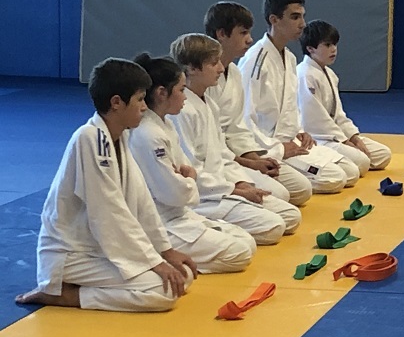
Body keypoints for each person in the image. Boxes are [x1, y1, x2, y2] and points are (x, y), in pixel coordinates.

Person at [15, 58, 196, 311]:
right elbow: (108, 211)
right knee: (163, 291)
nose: (145, 107)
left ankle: (76, 289)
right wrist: (154, 261)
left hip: (97, 248)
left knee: (181, 276)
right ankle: (64, 295)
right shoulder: (90, 138)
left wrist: (165, 251)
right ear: (116, 103)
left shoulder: (119, 136)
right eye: (140, 99)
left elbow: (142, 203)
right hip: (72, 253)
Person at [169, 33, 301, 245]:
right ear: (192, 68)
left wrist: (242, 183)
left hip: (222, 184)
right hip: (204, 197)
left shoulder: (209, 104)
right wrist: (234, 191)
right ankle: (217, 227)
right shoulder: (181, 112)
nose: (221, 69)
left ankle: (232, 223)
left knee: (290, 216)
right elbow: (192, 171)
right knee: (274, 227)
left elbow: (223, 154)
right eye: (214, 63)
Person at [129, 53, 256, 273]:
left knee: (247, 242)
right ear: (161, 93)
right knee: (240, 253)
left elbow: (186, 171)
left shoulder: (165, 125)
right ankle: (161, 258)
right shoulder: (148, 135)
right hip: (162, 221)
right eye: (181, 90)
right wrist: (189, 180)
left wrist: (186, 179)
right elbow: (174, 192)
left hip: (182, 213)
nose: (185, 97)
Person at [238, 0, 358, 193]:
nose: (302, 24)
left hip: (290, 141)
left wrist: (300, 130)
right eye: (295, 17)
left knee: (351, 171)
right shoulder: (256, 61)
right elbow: (246, 119)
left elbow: (291, 105)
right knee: (332, 179)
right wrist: (278, 149)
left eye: (303, 16)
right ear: (274, 20)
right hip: (266, 146)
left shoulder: (290, 57)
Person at [204, 2, 312, 206]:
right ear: (222, 34)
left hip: (242, 153)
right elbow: (211, 141)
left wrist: (255, 159)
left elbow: (238, 127)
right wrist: (253, 160)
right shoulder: (203, 79)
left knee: (301, 189)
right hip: (215, 162)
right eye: (243, 33)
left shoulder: (233, 72)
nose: (249, 39)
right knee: (281, 197)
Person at [297, 19, 391, 175]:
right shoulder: (304, 75)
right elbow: (315, 120)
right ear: (310, 48)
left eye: (335, 44)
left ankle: (344, 159)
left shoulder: (330, 74)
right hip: (319, 138)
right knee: (362, 161)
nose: (333, 49)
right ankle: (324, 163)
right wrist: (345, 141)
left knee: (383, 154)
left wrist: (354, 138)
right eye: (327, 45)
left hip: (334, 134)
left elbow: (339, 115)